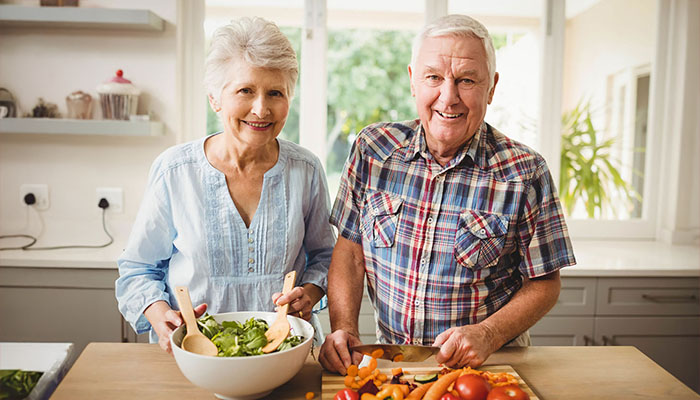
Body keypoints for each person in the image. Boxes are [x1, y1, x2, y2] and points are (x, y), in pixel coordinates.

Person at [319, 14, 576, 374]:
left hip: (489, 364)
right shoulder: (372, 149)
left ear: (491, 87)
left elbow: (546, 282)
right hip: (395, 364)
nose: (448, 97)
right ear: (413, 81)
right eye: (434, 78)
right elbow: (349, 251)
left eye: (466, 80)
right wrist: (344, 328)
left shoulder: (525, 172)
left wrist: (487, 333)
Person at [116, 17, 335, 353]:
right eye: (245, 90)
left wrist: (310, 292)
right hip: (194, 353)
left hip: (286, 353)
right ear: (215, 98)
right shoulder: (175, 171)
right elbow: (138, 270)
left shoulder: (305, 170)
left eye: (275, 92)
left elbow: (325, 257)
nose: (261, 108)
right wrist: (161, 315)